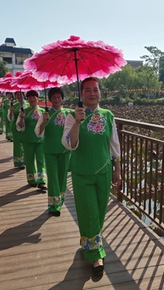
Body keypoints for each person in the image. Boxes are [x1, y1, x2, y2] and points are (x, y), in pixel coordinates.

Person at [62, 77, 121, 275]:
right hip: (82, 173)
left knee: (99, 213)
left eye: (95, 89)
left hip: (104, 170)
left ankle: (89, 244)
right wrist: (77, 123)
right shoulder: (71, 116)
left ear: (100, 93)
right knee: (89, 213)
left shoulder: (108, 115)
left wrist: (117, 169)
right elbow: (70, 144)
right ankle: (96, 256)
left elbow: (114, 144)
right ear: (81, 94)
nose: (92, 93)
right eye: (87, 90)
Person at [35, 88, 72, 216]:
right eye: (54, 97)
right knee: (53, 177)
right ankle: (53, 206)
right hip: (50, 150)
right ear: (50, 100)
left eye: (59, 97)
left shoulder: (68, 113)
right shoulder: (45, 114)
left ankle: (60, 201)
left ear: (62, 98)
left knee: (62, 177)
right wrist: (44, 121)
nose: (56, 99)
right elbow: (38, 133)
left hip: (64, 150)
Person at [17, 90, 46, 188]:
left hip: (40, 140)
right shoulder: (24, 111)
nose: (32, 99)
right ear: (27, 99)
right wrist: (21, 118)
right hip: (27, 139)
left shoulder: (43, 111)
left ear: (37, 98)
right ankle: (31, 179)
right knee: (29, 160)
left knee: (40, 160)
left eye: (34, 97)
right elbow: (20, 126)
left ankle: (41, 179)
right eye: (29, 97)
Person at [8, 91, 28, 168]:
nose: (19, 96)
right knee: (17, 144)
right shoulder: (14, 105)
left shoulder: (28, 104)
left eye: (21, 94)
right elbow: (10, 118)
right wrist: (11, 110)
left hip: (26, 127)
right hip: (16, 128)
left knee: (25, 144)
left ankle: (26, 160)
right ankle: (19, 162)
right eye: (17, 95)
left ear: (24, 95)